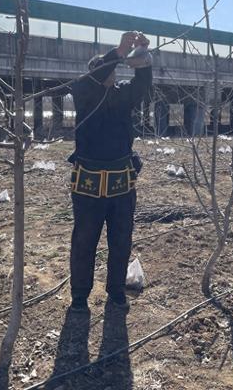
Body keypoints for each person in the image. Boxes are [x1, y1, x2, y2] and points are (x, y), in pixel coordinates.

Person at [66, 31, 152, 312]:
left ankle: (116, 291)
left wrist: (142, 59)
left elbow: (142, 86)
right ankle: (79, 296)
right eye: (106, 69)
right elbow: (94, 77)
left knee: (121, 240)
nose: (111, 74)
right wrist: (117, 52)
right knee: (84, 241)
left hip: (122, 186)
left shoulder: (122, 96)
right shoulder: (83, 92)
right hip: (88, 185)